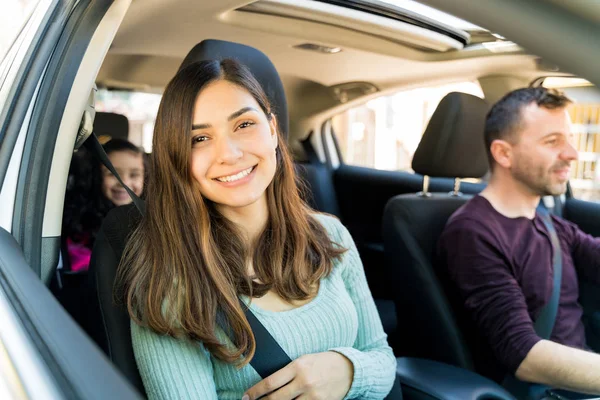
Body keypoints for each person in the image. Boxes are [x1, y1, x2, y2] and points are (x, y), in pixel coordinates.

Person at [114, 59, 396, 400]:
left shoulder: (330, 235)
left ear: (273, 129)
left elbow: (381, 357)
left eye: (244, 124)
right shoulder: (168, 280)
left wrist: (348, 370)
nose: (229, 154)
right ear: (177, 157)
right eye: (200, 138)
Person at [438, 87, 600, 395]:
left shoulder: (551, 225)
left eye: (570, 140)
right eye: (553, 142)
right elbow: (524, 354)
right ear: (503, 154)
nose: (572, 154)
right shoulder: (472, 233)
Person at [62, 138, 145, 272]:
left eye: (134, 175)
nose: (124, 183)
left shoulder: (148, 218)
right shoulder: (82, 226)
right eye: (113, 174)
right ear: (96, 176)